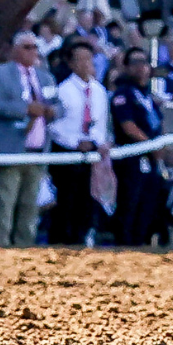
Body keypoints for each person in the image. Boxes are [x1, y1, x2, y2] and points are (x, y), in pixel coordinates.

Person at [0, 30, 57, 247]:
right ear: (14, 50)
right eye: (27, 47)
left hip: (38, 150)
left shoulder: (45, 77)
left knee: (30, 203)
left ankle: (25, 244)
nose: (33, 52)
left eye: (35, 47)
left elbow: (58, 104)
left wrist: (52, 111)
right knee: (5, 200)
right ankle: (1, 244)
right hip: (10, 148)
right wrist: (25, 109)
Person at [48, 39, 112, 245]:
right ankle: (61, 242)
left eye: (89, 59)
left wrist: (100, 142)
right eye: (81, 59)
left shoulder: (99, 91)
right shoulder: (63, 90)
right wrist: (75, 142)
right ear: (72, 64)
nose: (86, 63)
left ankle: (82, 239)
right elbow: (54, 125)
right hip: (67, 153)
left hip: (91, 155)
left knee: (87, 202)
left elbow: (101, 123)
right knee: (66, 201)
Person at [109, 46, 167, 245]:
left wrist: (160, 146)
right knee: (129, 205)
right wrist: (151, 145)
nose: (141, 67)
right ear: (126, 67)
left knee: (148, 206)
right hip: (131, 159)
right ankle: (124, 246)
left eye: (144, 62)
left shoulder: (148, 96)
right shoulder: (123, 94)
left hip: (151, 160)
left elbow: (158, 124)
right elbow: (128, 126)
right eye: (135, 62)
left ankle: (141, 244)